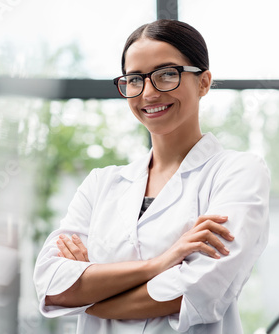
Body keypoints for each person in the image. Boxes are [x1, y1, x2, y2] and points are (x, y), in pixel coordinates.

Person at [33, 19, 270, 334]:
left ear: (204, 82)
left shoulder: (238, 172)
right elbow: (51, 286)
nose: (148, 92)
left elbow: (200, 289)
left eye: (167, 74)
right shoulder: (101, 184)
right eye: (134, 79)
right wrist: (160, 264)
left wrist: (92, 296)